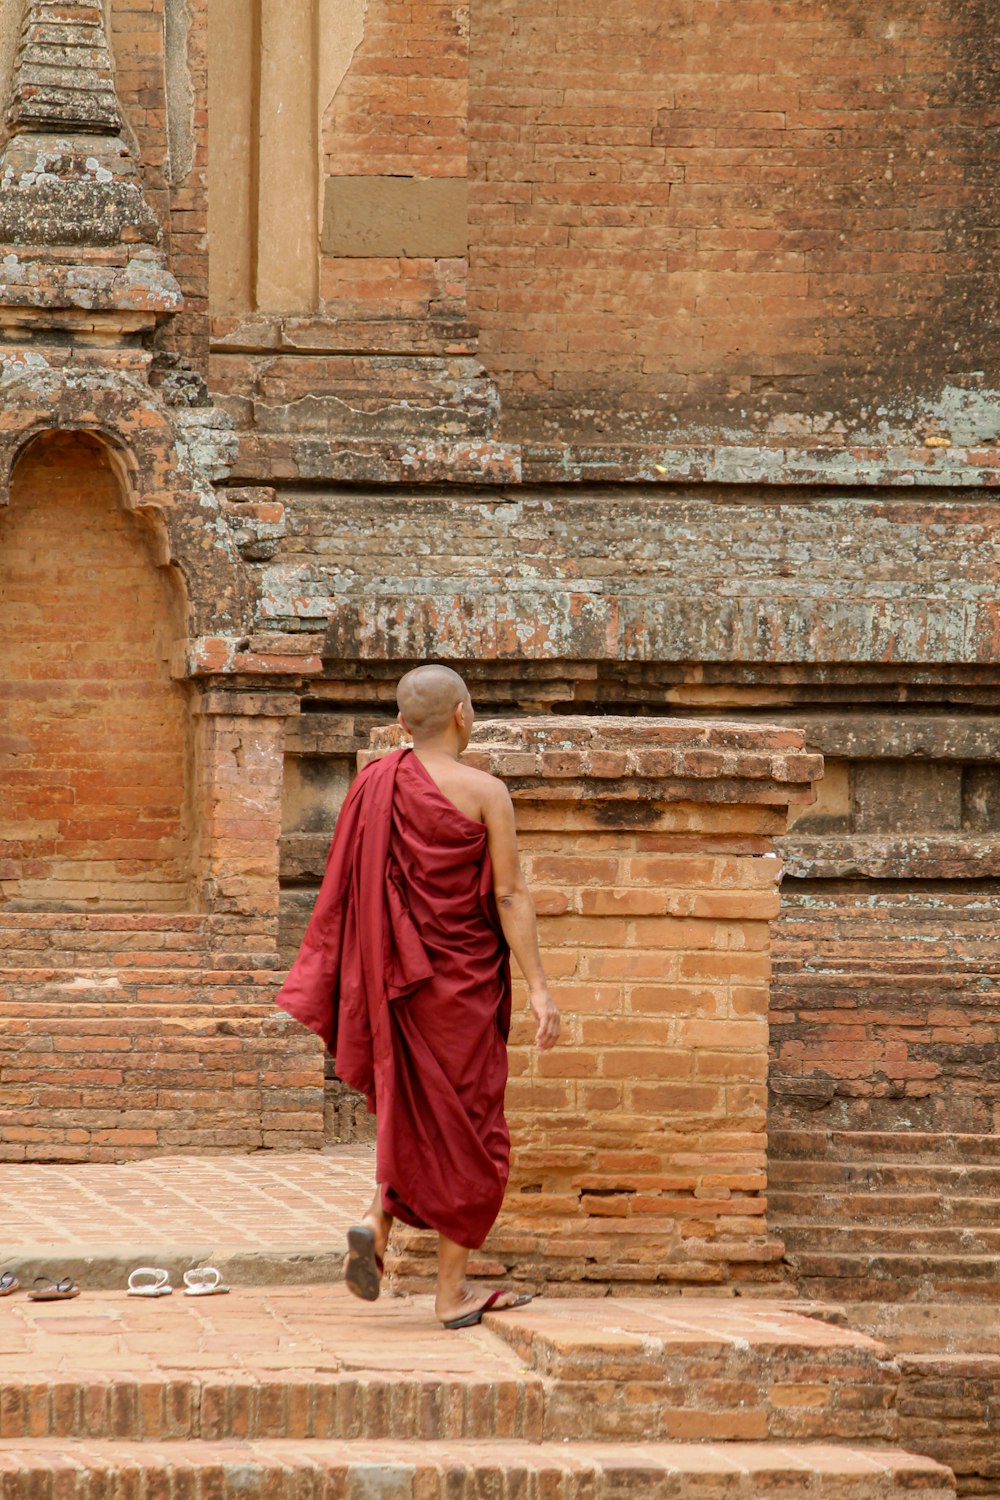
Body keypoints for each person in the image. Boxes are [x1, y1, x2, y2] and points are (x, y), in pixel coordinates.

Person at [275, 664, 560, 1328]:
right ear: (463, 714)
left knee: (411, 1115)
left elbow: (350, 892)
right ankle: (451, 1292)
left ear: (403, 724)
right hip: (460, 989)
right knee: (473, 1135)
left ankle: (376, 1223)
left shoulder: (375, 782)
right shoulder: (486, 791)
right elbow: (509, 894)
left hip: (398, 985)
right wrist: (541, 987)